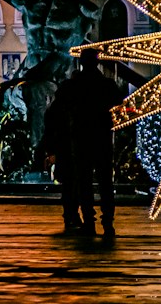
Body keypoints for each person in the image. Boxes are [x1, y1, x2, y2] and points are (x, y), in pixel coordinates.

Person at [53, 47, 125, 236]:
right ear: (97, 62)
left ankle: (89, 222)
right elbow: (118, 101)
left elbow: (61, 103)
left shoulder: (74, 85)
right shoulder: (106, 84)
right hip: (101, 137)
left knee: (84, 182)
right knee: (105, 183)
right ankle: (108, 222)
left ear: (82, 63)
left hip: (81, 137)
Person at [36, 85, 80, 233]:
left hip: (63, 151)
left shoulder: (54, 109)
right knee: (73, 185)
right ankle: (72, 214)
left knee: (69, 186)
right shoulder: (69, 110)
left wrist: (50, 152)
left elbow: (48, 133)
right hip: (68, 151)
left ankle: (70, 214)